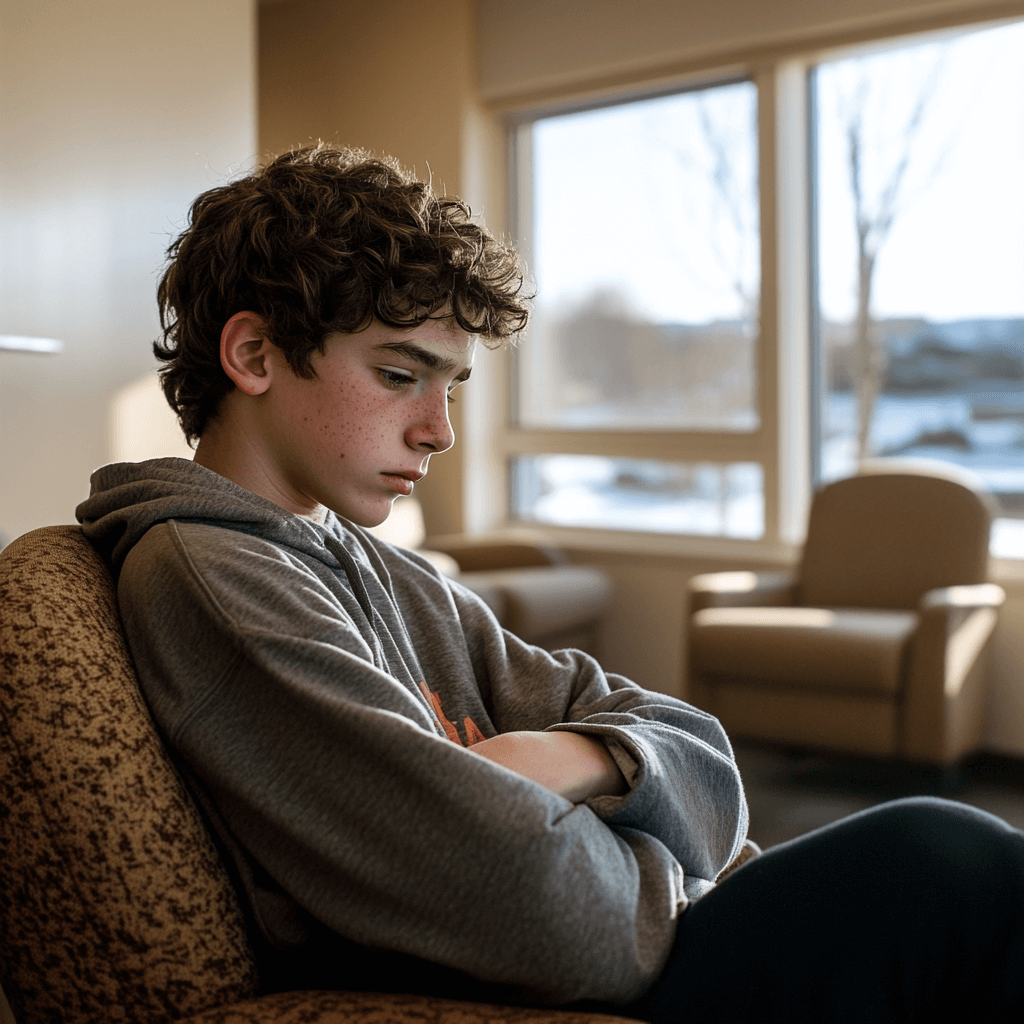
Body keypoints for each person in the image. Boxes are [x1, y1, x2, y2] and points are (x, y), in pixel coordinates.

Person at [77, 144, 1024, 1023]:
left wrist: (583, 760)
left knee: (949, 867)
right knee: (942, 859)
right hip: (592, 974)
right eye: (401, 374)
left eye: (449, 388)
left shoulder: (376, 566)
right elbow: (553, 917)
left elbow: (699, 748)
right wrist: (666, 845)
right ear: (254, 356)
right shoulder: (215, 579)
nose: (438, 431)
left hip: (646, 928)